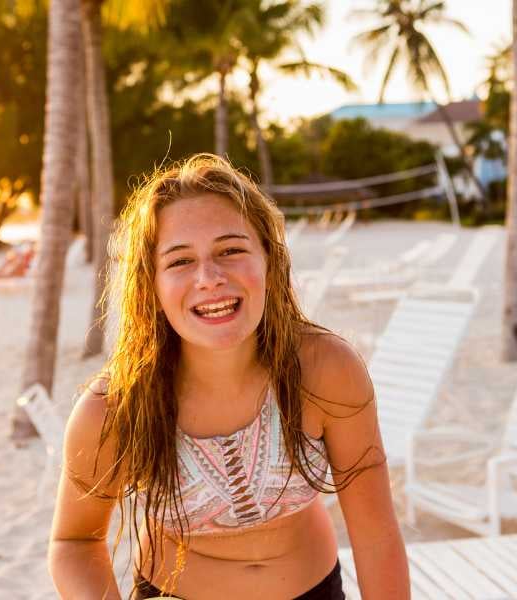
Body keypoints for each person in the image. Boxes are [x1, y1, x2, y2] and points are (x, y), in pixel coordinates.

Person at [48, 154, 409, 599]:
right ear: (152, 285)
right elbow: (73, 543)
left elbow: (376, 534)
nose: (209, 277)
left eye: (231, 250)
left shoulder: (325, 370)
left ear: (268, 260)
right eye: (180, 261)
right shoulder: (114, 407)